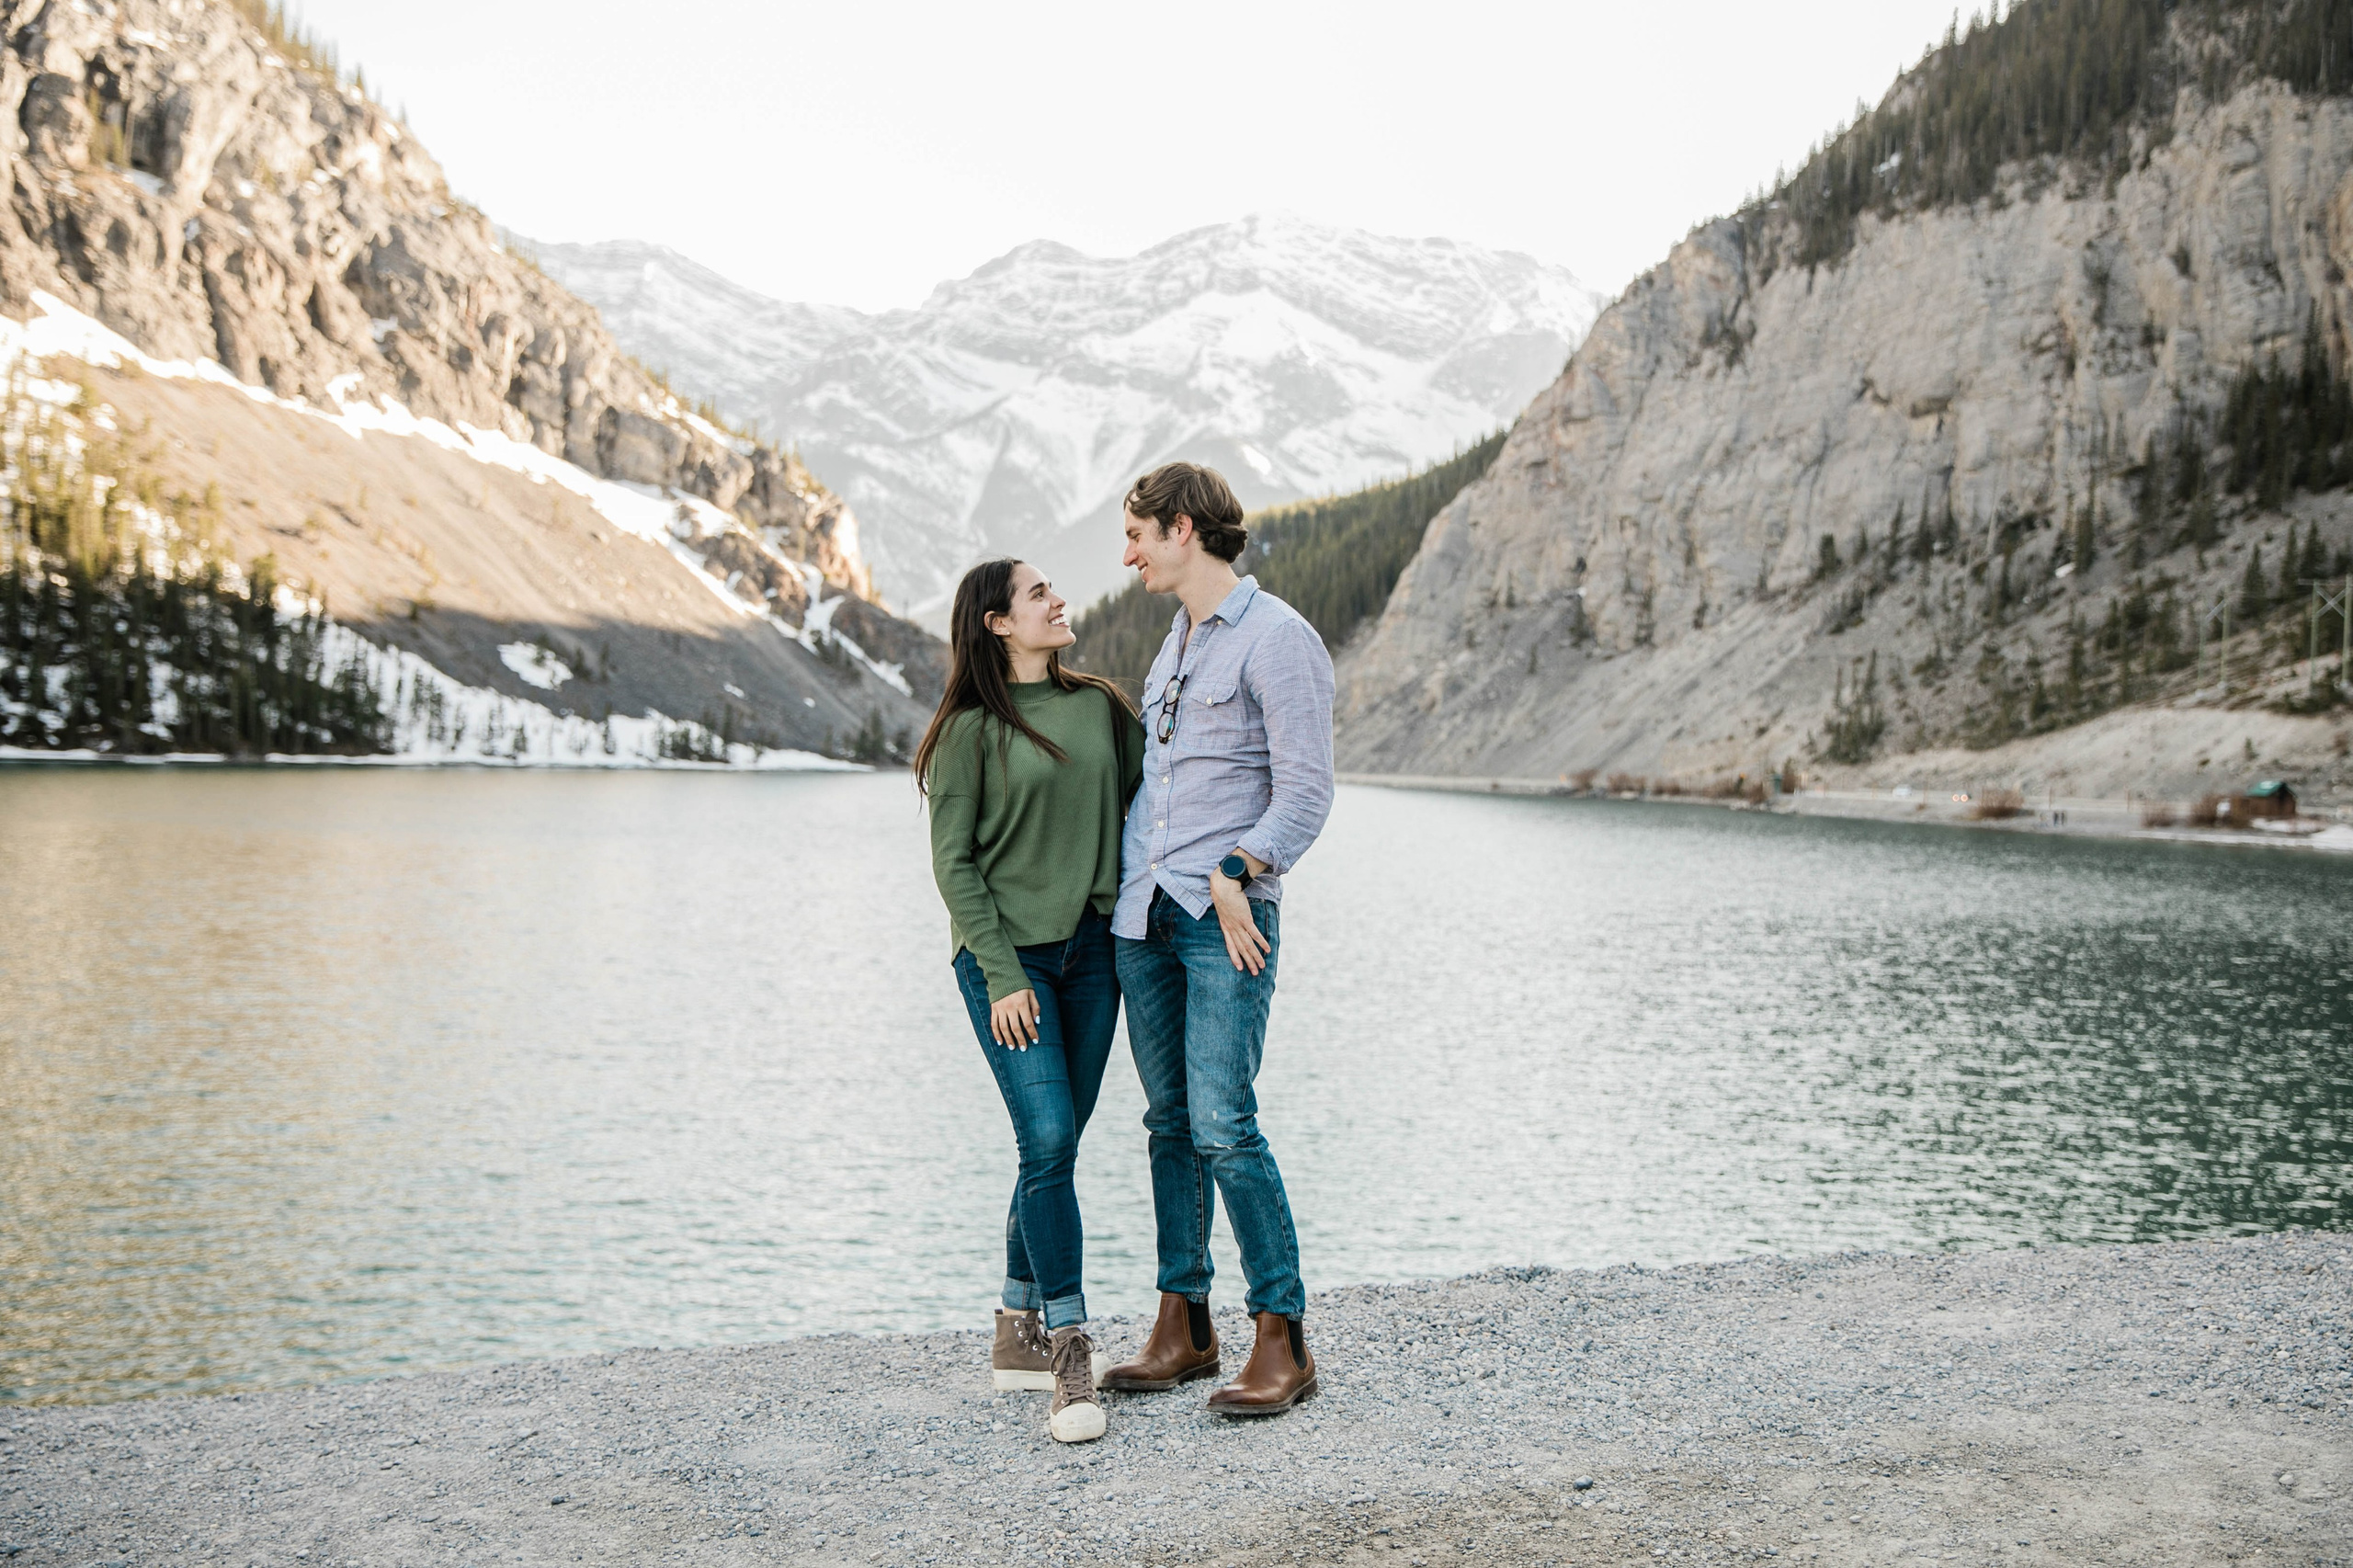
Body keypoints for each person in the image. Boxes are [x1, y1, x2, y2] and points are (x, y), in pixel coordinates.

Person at [1099, 461, 1336, 1417]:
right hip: (1142, 917)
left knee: (1224, 1122)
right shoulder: (1175, 642)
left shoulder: (1279, 639)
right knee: (1167, 1125)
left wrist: (1241, 868)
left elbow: (1307, 791)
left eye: (1138, 534)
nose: (1128, 554)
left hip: (1221, 923)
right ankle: (1183, 1324)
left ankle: (1282, 1337)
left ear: (1184, 528)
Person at [917, 558, 1143, 1444]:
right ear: (997, 624)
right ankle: (1069, 1354)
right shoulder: (969, 733)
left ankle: (1015, 1325)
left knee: (1056, 1145)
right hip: (1006, 963)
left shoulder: (1100, 709)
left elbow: (1153, 802)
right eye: (1037, 593)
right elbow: (954, 865)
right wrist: (1004, 973)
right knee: (1047, 1140)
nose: (1059, 599)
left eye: (1056, 586)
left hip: (1091, 957)